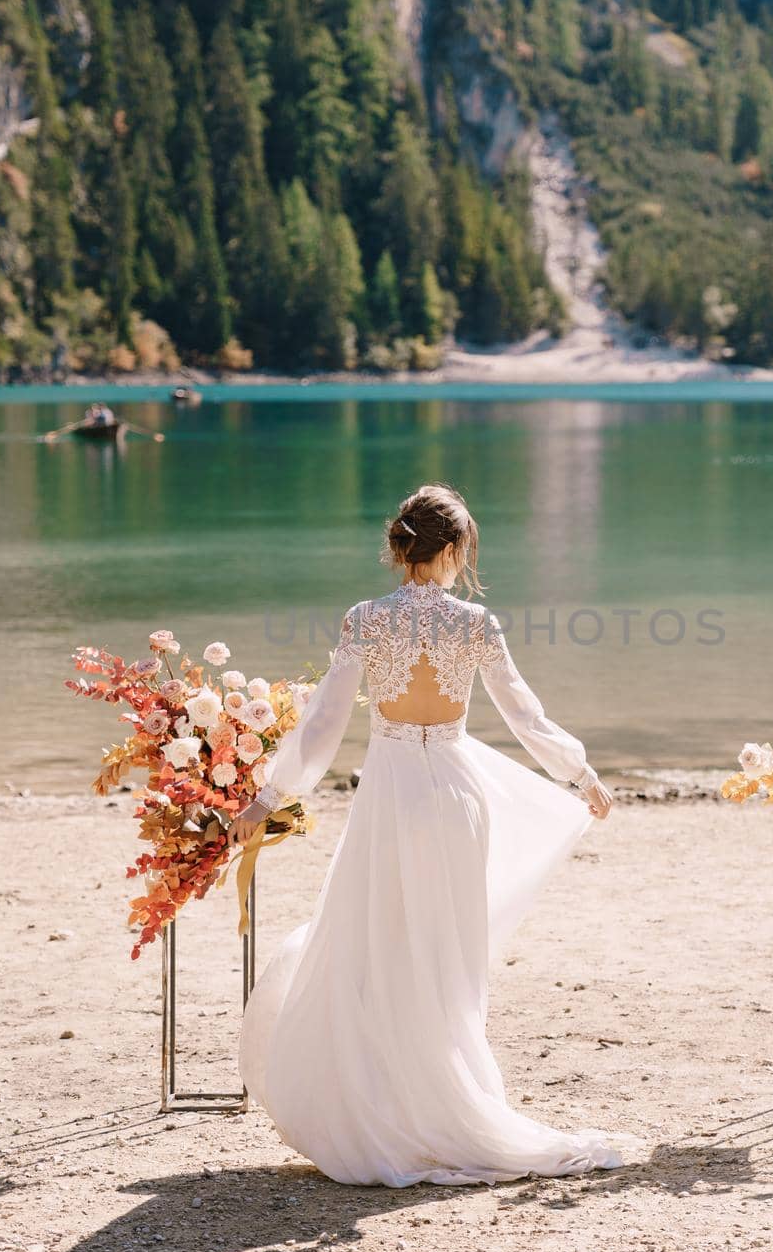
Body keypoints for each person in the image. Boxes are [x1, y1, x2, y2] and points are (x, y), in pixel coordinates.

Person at [227, 482, 621, 1188]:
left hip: (389, 795)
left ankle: (386, 1101)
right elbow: (524, 716)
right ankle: (445, 1096)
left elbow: (323, 723)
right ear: (456, 549)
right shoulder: (475, 624)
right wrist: (579, 771)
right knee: (446, 952)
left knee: (377, 942)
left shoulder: (363, 619)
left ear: (399, 546)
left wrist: (269, 795)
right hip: (456, 796)